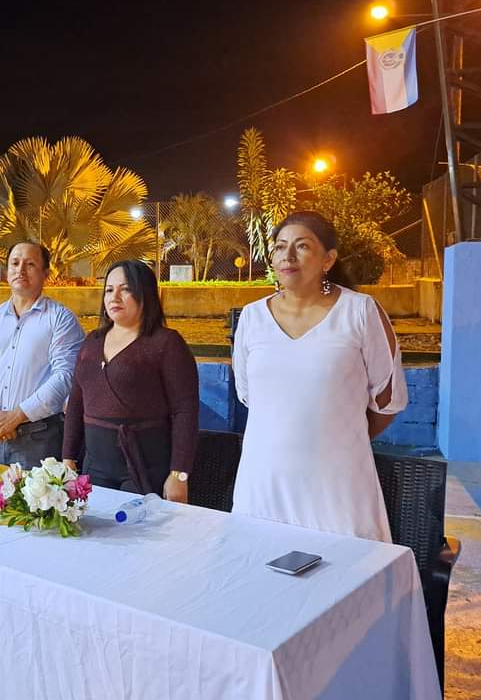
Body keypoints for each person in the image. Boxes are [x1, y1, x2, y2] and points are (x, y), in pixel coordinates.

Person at [231, 210, 407, 542]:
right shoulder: (252, 318)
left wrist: (338, 439)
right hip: (263, 484)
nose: (288, 255)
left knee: (345, 566)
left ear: (328, 259)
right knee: (257, 563)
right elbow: (252, 397)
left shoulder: (360, 311)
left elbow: (388, 399)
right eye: (280, 246)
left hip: (337, 487)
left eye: (302, 246)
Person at [62, 260, 199, 502]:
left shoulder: (166, 343)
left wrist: (179, 474)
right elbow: (76, 402)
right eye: (109, 290)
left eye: (125, 289)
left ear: (145, 294)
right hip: (95, 466)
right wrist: (68, 458)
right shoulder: (92, 341)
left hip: (144, 467)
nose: (114, 297)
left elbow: (185, 410)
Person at [0, 241, 84, 468]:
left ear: (46, 273)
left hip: (39, 437)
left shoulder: (60, 319)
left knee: (40, 492)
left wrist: (17, 416)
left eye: (30, 264)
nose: (20, 270)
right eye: (15, 263)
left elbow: (65, 375)